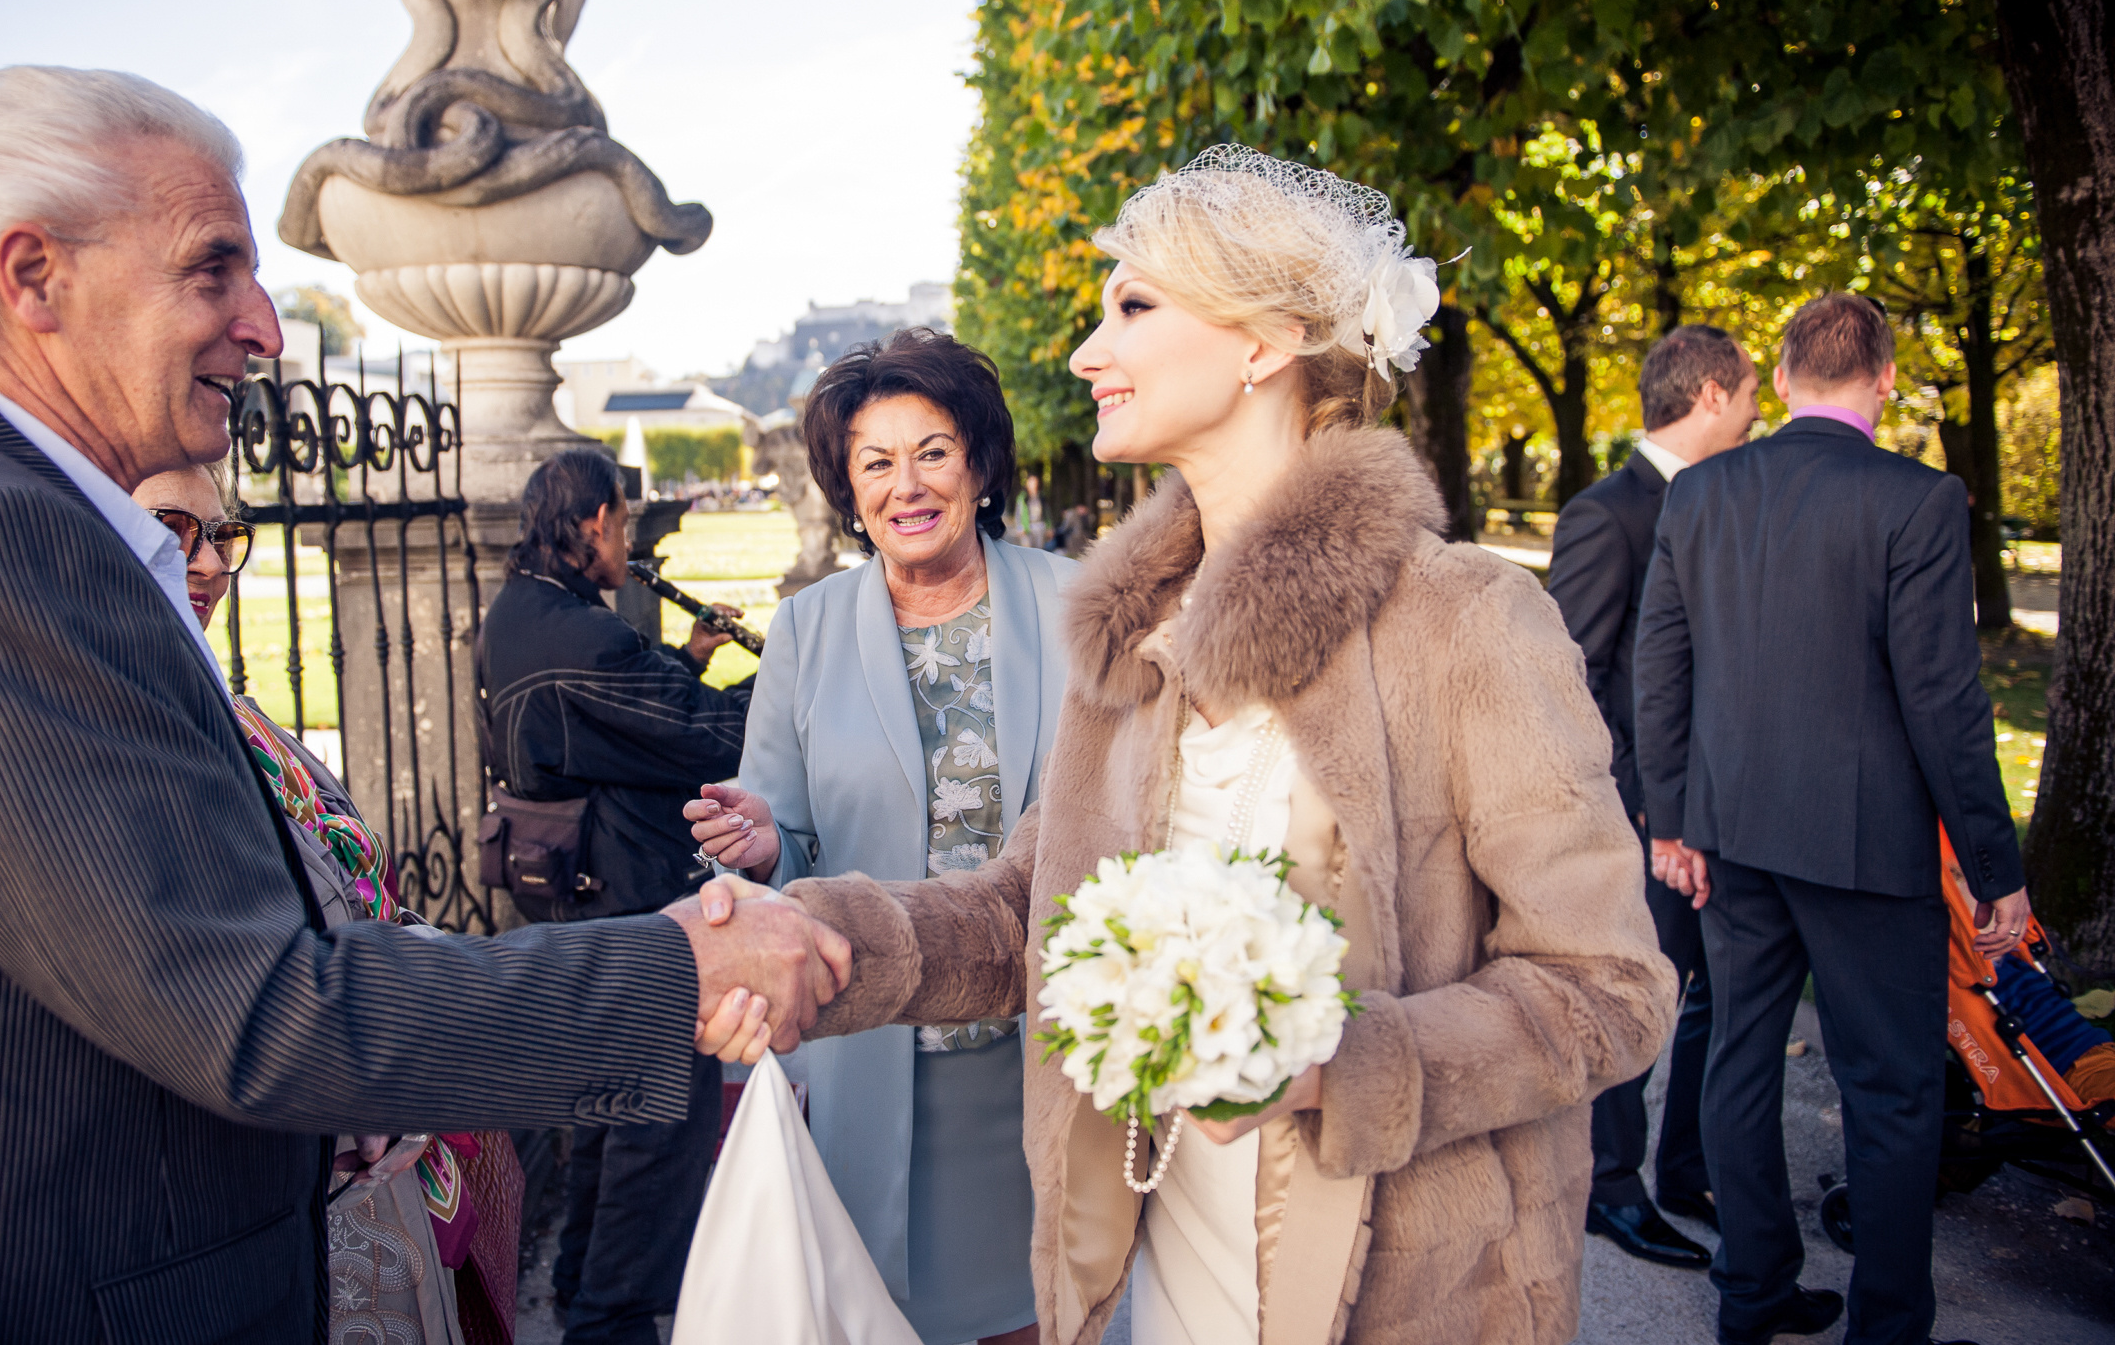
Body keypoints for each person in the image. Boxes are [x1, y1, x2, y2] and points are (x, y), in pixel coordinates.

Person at [0, 64, 840, 1344]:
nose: (265, 327)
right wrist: (677, 967)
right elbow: (255, 1010)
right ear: (33, 279)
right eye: (213, 270)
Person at [705, 146, 1675, 1344]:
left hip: (1407, 1297)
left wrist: (1337, 1064)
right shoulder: (1132, 636)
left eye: (1133, 306)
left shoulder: (1465, 619)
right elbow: (1026, 919)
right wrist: (819, 936)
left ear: (1265, 340)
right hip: (1169, 1270)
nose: (1085, 353)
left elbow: (1611, 990)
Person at [1635, 290, 2027, 1345]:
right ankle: (1888, 1328)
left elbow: (1658, 670)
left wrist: (1670, 820)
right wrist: (1997, 866)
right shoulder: (1919, 499)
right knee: (1893, 1089)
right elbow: (1946, 702)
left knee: (1739, 1059)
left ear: (1789, 374)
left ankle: (1750, 1293)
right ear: (1885, 378)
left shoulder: (1702, 494)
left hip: (1726, 834)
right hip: (1863, 848)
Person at [689, 327, 1076, 1345]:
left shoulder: (1076, 604)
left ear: (980, 464)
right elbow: (789, 844)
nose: (907, 484)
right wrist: (768, 842)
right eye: (876, 461)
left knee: (1032, 1318)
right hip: (872, 1050)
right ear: (848, 487)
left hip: (1034, 1057)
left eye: (933, 451)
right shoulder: (808, 630)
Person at [133, 460, 526, 1344]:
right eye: (172, 526)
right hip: (291, 1164)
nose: (206, 565)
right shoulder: (124, 729)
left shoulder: (236, 712)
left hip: (375, 1145)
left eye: (221, 534)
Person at [481, 445, 753, 1345]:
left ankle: (580, 1301)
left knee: (600, 1122)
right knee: (655, 1127)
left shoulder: (521, 614)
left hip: (582, 905)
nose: (627, 540)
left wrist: (686, 652)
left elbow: (603, 732)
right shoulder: (581, 632)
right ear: (596, 520)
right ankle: (612, 1318)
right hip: (632, 913)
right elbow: (703, 734)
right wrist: (795, 665)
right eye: (625, 523)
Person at [1547, 323, 1758, 1270]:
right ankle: (1610, 1182)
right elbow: (1576, 669)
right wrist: (1625, 797)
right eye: (1752, 390)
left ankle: (1688, 1167)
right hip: (1635, 803)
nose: (1760, 411)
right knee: (1636, 985)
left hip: (1716, 802)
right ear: (1711, 392)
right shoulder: (1611, 510)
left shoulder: (1728, 502)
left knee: (1707, 989)